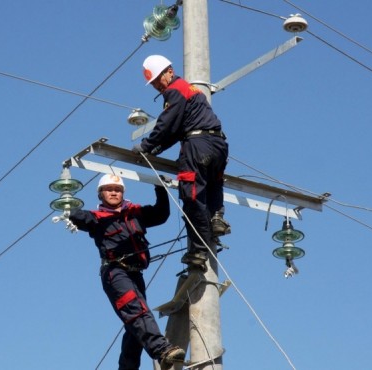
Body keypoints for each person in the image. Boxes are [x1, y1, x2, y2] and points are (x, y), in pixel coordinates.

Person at [67, 174, 185, 370]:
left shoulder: (135, 213)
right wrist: (67, 199)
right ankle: (162, 350)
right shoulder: (95, 218)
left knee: (135, 328)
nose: (114, 192)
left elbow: (161, 214)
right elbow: (75, 215)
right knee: (136, 312)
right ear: (100, 194)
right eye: (109, 189)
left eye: (118, 189)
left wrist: (160, 188)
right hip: (115, 273)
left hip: (136, 274)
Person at [132, 54, 231, 269]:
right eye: (154, 83)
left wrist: (147, 146)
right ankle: (216, 218)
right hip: (218, 145)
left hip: (197, 146)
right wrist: (155, 149)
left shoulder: (175, 90)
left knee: (191, 195)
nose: (158, 85)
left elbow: (167, 125)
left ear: (170, 71)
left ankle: (198, 250)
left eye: (159, 79)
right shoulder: (191, 91)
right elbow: (175, 131)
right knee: (213, 184)